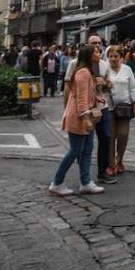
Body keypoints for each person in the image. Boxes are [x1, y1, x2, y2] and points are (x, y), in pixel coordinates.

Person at [49, 44, 105, 196]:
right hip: (79, 116)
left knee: (86, 150)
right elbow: (81, 98)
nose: (99, 53)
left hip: (84, 115)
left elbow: (87, 95)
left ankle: (86, 182)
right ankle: (57, 182)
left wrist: (98, 99)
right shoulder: (83, 72)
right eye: (96, 52)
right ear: (89, 55)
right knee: (75, 150)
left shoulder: (88, 71)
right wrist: (86, 117)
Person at [104, 46, 135, 178]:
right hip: (108, 108)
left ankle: (119, 159)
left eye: (116, 56)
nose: (113, 59)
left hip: (124, 107)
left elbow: (133, 87)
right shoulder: (105, 69)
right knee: (111, 136)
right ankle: (112, 164)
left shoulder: (127, 69)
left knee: (123, 134)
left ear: (121, 57)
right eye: (111, 56)